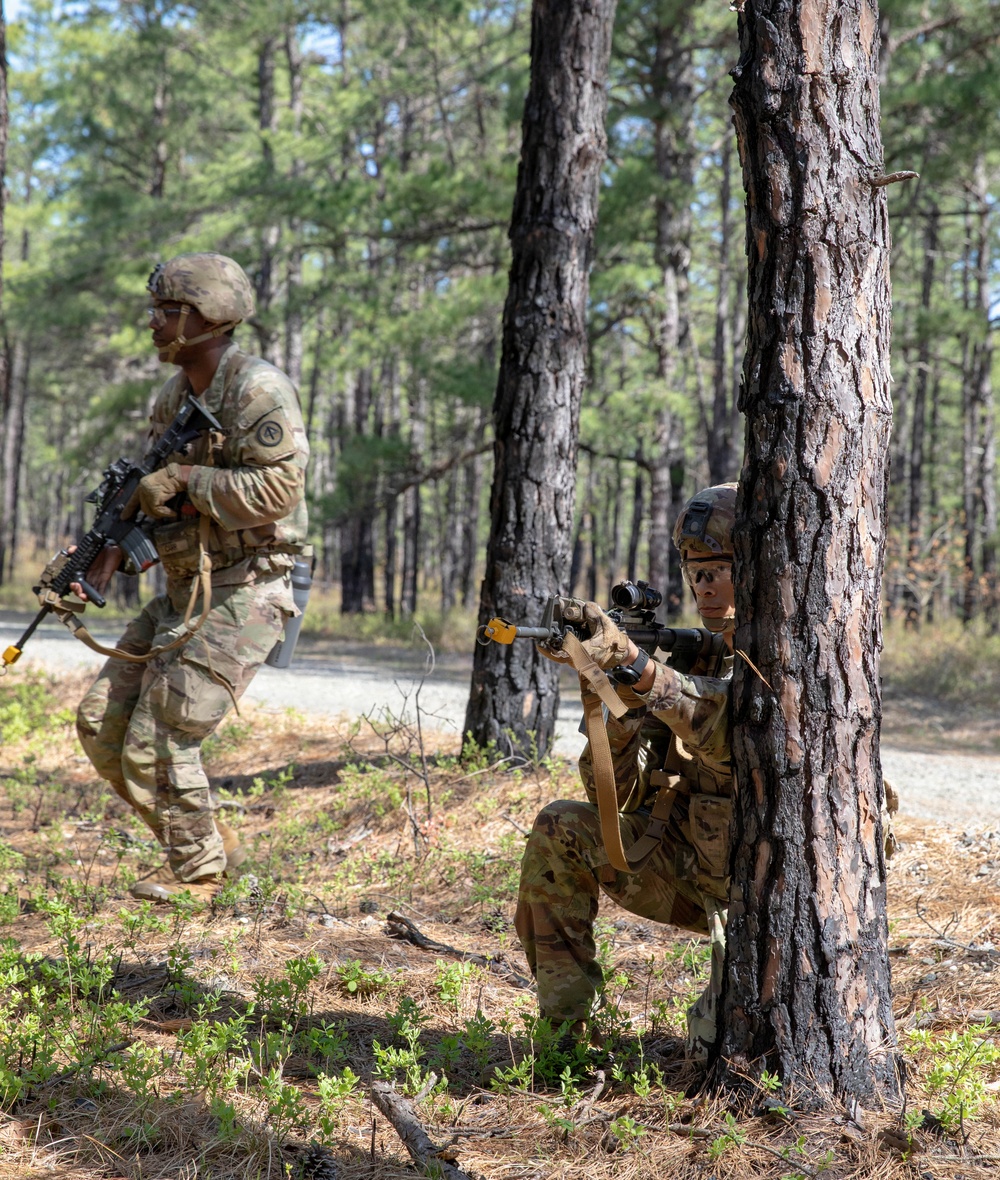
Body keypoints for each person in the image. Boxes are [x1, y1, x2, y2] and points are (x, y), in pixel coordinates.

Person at [74, 252, 310, 903]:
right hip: (185, 590)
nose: (152, 322)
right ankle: (204, 845)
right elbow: (148, 499)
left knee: (159, 738)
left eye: (166, 311)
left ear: (205, 320)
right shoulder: (174, 396)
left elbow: (281, 488)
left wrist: (185, 481)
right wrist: (97, 559)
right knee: (102, 725)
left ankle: (203, 881)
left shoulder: (255, 390)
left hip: (249, 588)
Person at [515, 483, 737, 1063]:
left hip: (766, 899)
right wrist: (611, 695)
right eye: (697, 570)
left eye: (721, 568)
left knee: (723, 1054)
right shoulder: (697, 656)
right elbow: (625, 796)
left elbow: (725, 733)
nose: (705, 584)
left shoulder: (793, 655)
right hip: (693, 873)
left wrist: (641, 669)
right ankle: (562, 1042)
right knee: (561, 827)